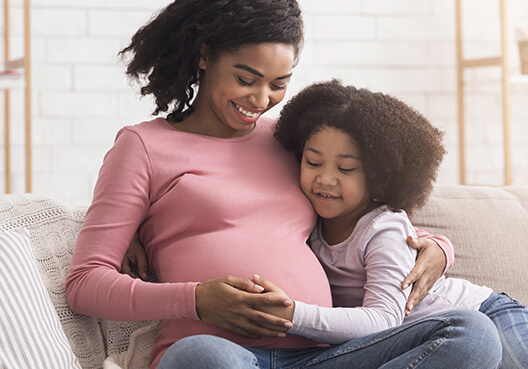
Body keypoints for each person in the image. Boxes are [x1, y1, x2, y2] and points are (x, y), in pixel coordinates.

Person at [65, 1, 502, 368]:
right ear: (203, 55)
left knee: (471, 333)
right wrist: (196, 301)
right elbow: (85, 283)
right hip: (226, 354)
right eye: (245, 78)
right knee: (200, 356)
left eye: (278, 84)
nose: (259, 101)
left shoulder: (287, 139)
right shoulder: (142, 146)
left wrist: (435, 244)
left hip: (327, 353)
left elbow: (353, 211)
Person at [259, 79, 526, 368]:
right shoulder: (308, 221)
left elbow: (383, 320)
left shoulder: (383, 228)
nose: (325, 178)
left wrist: (291, 314)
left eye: (346, 168)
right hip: (420, 348)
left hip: (484, 314)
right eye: (313, 162)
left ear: (378, 175)